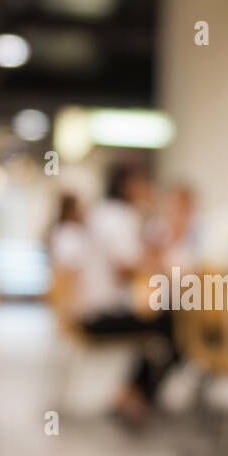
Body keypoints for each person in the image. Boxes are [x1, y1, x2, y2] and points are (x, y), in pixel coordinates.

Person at [70, 164, 178, 429]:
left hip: (91, 310)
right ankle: (134, 394)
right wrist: (155, 260)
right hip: (99, 314)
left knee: (163, 322)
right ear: (129, 185)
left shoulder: (104, 214)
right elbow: (124, 270)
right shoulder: (118, 217)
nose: (150, 191)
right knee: (172, 324)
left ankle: (133, 392)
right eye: (146, 184)